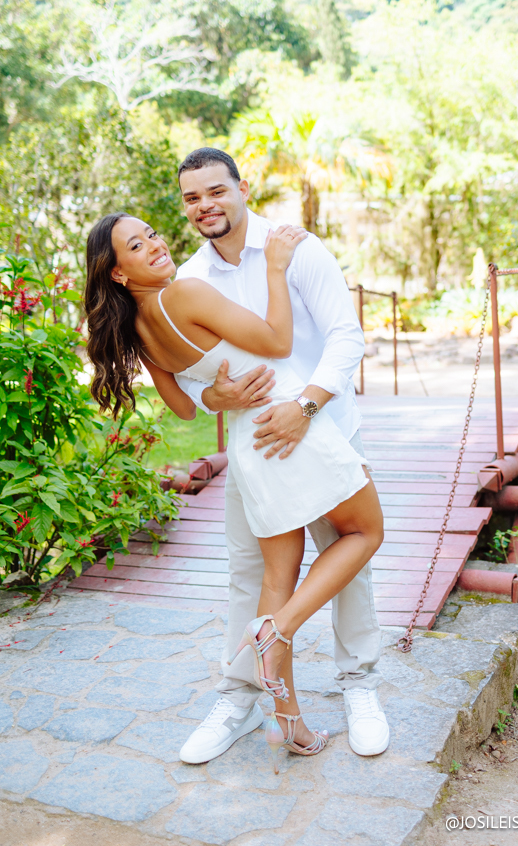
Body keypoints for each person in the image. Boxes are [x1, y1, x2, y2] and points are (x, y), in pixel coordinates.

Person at [82, 160, 389, 762]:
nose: (201, 206)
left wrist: (300, 403)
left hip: (305, 420)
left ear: (242, 190)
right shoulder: (189, 280)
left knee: (291, 572)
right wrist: (216, 393)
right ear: (120, 269)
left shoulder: (294, 247)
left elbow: (344, 336)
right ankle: (259, 659)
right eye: (190, 198)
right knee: (355, 540)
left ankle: (315, 709)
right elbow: (247, 362)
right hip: (268, 436)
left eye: (215, 191)